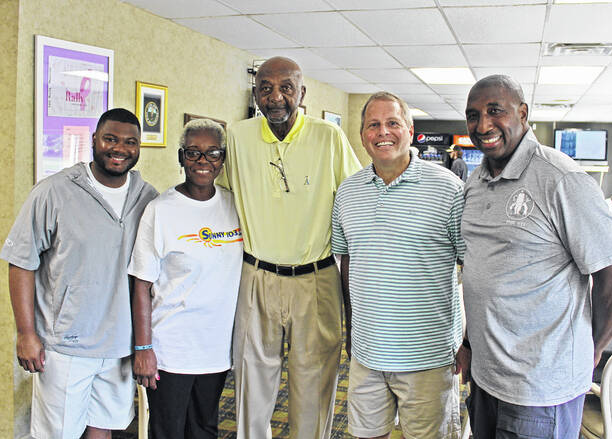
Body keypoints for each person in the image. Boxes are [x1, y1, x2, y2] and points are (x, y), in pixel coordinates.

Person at [457, 75, 612, 438]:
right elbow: (484, 274)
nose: (483, 125)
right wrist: (468, 342)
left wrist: (594, 349)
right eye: (473, 116)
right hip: (486, 380)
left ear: (522, 114)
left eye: (495, 111)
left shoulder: (561, 179)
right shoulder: (476, 181)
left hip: (540, 393)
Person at [216, 56, 361, 439]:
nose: (275, 97)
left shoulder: (328, 137)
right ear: (255, 93)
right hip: (256, 277)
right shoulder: (238, 136)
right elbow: (219, 199)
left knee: (314, 384)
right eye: (265, 88)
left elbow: (356, 199)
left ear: (302, 92)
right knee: (250, 381)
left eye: (286, 88)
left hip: (316, 278)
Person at [1, 108, 157, 439]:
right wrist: (25, 333)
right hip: (64, 346)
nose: (120, 149)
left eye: (130, 142)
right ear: (93, 141)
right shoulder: (54, 192)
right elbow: (21, 262)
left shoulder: (148, 198)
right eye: (110, 139)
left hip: (119, 346)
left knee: (102, 431)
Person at [332, 92, 465, 439]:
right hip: (367, 353)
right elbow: (347, 262)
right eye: (373, 125)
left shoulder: (450, 190)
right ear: (362, 135)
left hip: (429, 358)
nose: (383, 132)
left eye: (392, 123)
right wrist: (350, 328)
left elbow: (472, 268)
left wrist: (470, 342)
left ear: (410, 129)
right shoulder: (347, 193)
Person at [128, 119, 242, 439]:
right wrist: (143, 348)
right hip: (170, 351)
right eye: (193, 153)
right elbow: (141, 284)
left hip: (217, 350)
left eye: (212, 153)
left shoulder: (235, 205)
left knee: (205, 428)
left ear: (223, 160)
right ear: (180, 158)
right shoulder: (160, 210)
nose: (202, 162)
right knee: (168, 431)